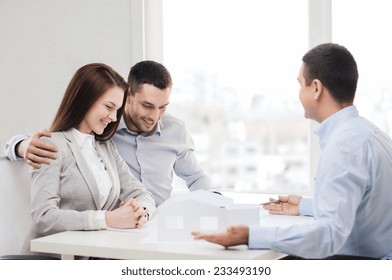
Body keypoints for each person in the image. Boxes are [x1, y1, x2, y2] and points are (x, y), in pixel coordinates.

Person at [192, 43, 392, 260]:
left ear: (316, 88)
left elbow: (329, 236)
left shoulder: (343, 147)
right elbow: (360, 207)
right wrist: (304, 205)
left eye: (300, 85)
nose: (299, 94)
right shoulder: (371, 134)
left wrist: (251, 236)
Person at [4, 61, 220, 206]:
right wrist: (22, 146)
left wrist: (217, 203)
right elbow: (60, 137)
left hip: (157, 226)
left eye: (163, 107)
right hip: (114, 228)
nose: (155, 116)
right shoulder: (103, 127)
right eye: (147, 106)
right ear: (128, 97)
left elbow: (196, 177)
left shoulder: (176, 130)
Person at [22, 63, 156, 256]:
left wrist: (139, 212)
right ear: (85, 99)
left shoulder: (106, 148)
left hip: (92, 258)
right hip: (53, 260)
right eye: (109, 107)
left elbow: (142, 194)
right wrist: (107, 219)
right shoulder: (51, 144)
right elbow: (44, 217)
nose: (113, 117)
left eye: (117, 110)